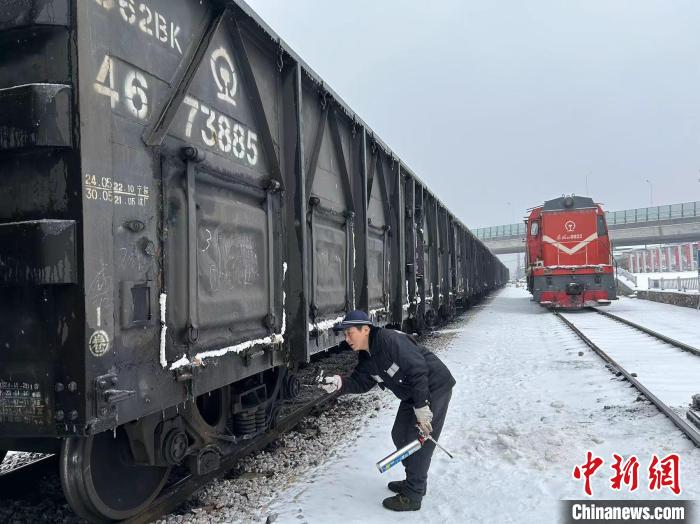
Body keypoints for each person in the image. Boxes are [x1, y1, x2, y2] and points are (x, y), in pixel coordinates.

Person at [320, 310, 456, 511]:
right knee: (400, 435)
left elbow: (418, 370)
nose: (346, 339)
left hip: (433, 387)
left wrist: (422, 406)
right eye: (345, 334)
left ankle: (413, 495)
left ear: (365, 329)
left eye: (350, 333)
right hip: (412, 394)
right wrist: (340, 383)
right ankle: (414, 480)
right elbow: (362, 381)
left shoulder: (390, 341)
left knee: (418, 441)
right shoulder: (367, 356)